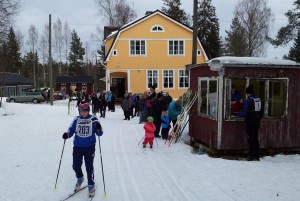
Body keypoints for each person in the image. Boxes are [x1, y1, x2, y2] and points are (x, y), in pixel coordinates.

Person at [62, 100, 103, 197]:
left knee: (89, 167)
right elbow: (71, 130)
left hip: (89, 147)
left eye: (85, 110)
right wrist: (67, 134)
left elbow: (100, 133)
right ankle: (80, 178)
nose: (83, 112)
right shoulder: (76, 119)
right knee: (75, 166)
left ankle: (91, 184)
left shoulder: (94, 119)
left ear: (88, 110)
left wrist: (98, 127)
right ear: (79, 111)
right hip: (78, 147)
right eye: (81, 111)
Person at [236, 85, 262, 161]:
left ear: (247, 93)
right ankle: (257, 156)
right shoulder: (258, 99)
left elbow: (245, 112)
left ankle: (251, 156)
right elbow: (261, 111)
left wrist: (237, 114)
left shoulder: (248, 100)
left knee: (250, 138)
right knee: (255, 138)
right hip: (257, 121)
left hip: (250, 121)